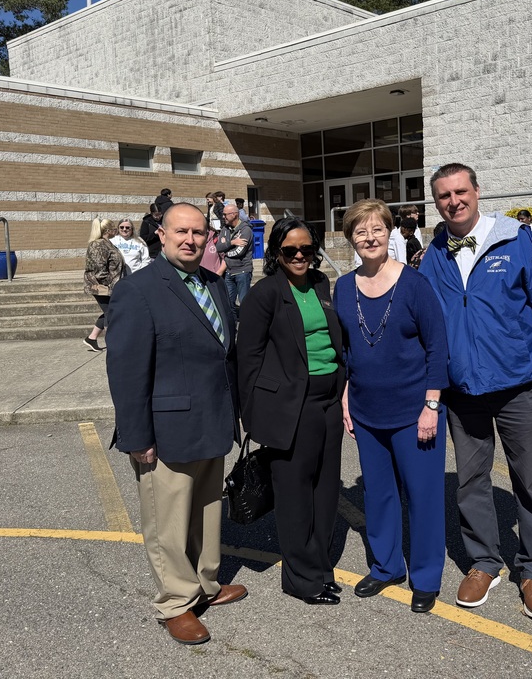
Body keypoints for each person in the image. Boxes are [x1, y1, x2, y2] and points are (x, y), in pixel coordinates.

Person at [419, 163, 532, 621]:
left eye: (461, 191)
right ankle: (484, 561)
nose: (454, 201)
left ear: (477, 192)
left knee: (528, 480)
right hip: (463, 390)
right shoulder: (435, 254)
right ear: (437, 203)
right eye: (444, 196)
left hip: (519, 385)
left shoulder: (518, 241)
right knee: (471, 482)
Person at [105, 203, 246, 645]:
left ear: (209, 237)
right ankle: (175, 602)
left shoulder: (214, 284)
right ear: (161, 236)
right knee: (167, 522)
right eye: (180, 232)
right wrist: (136, 436)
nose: (190, 239)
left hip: (210, 421)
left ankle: (204, 584)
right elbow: (126, 370)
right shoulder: (139, 289)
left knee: (205, 513)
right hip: (164, 431)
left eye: (198, 233)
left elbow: (223, 353)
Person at [333, 199, 449, 614]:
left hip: (415, 410)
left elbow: (437, 347)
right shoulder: (343, 286)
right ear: (351, 239)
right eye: (360, 232)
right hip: (366, 410)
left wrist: (432, 405)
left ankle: (426, 575)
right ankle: (386, 567)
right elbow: (346, 349)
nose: (369, 238)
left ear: (390, 233)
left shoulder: (414, 284)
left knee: (423, 496)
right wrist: (346, 394)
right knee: (379, 494)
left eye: (377, 230)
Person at [237, 218, 345, 606]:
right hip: (290, 409)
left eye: (306, 249)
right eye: (290, 250)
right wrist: (254, 415)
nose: (300, 256)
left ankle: (319, 568)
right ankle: (301, 579)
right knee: (295, 496)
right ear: (277, 254)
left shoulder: (321, 284)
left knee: (326, 492)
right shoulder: (264, 294)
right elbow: (246, 359)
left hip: (328, 401)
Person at [82, 218, 124, 353]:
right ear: (108, 230)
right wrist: (109, 284)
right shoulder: (98, 245)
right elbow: (99, 269)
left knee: (111, 311)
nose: (116, 231)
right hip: (101, 286)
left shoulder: (107, 243)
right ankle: (114, 343)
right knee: (112, 313)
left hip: (110, 286)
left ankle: (91, 338)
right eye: (114, 229)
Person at [214, 203, 253, 320]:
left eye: (225, 214)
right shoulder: (225, 229)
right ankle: (233, 324)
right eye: (223, 214)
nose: (223, 217)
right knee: (229, 302)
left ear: (234, 215)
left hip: (242, 271)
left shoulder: (246, 230)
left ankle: (247, 323)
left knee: (244, 302)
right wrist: (232, 242)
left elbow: (239, 252)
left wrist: (225, 253)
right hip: (229, 271)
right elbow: (218, 247)